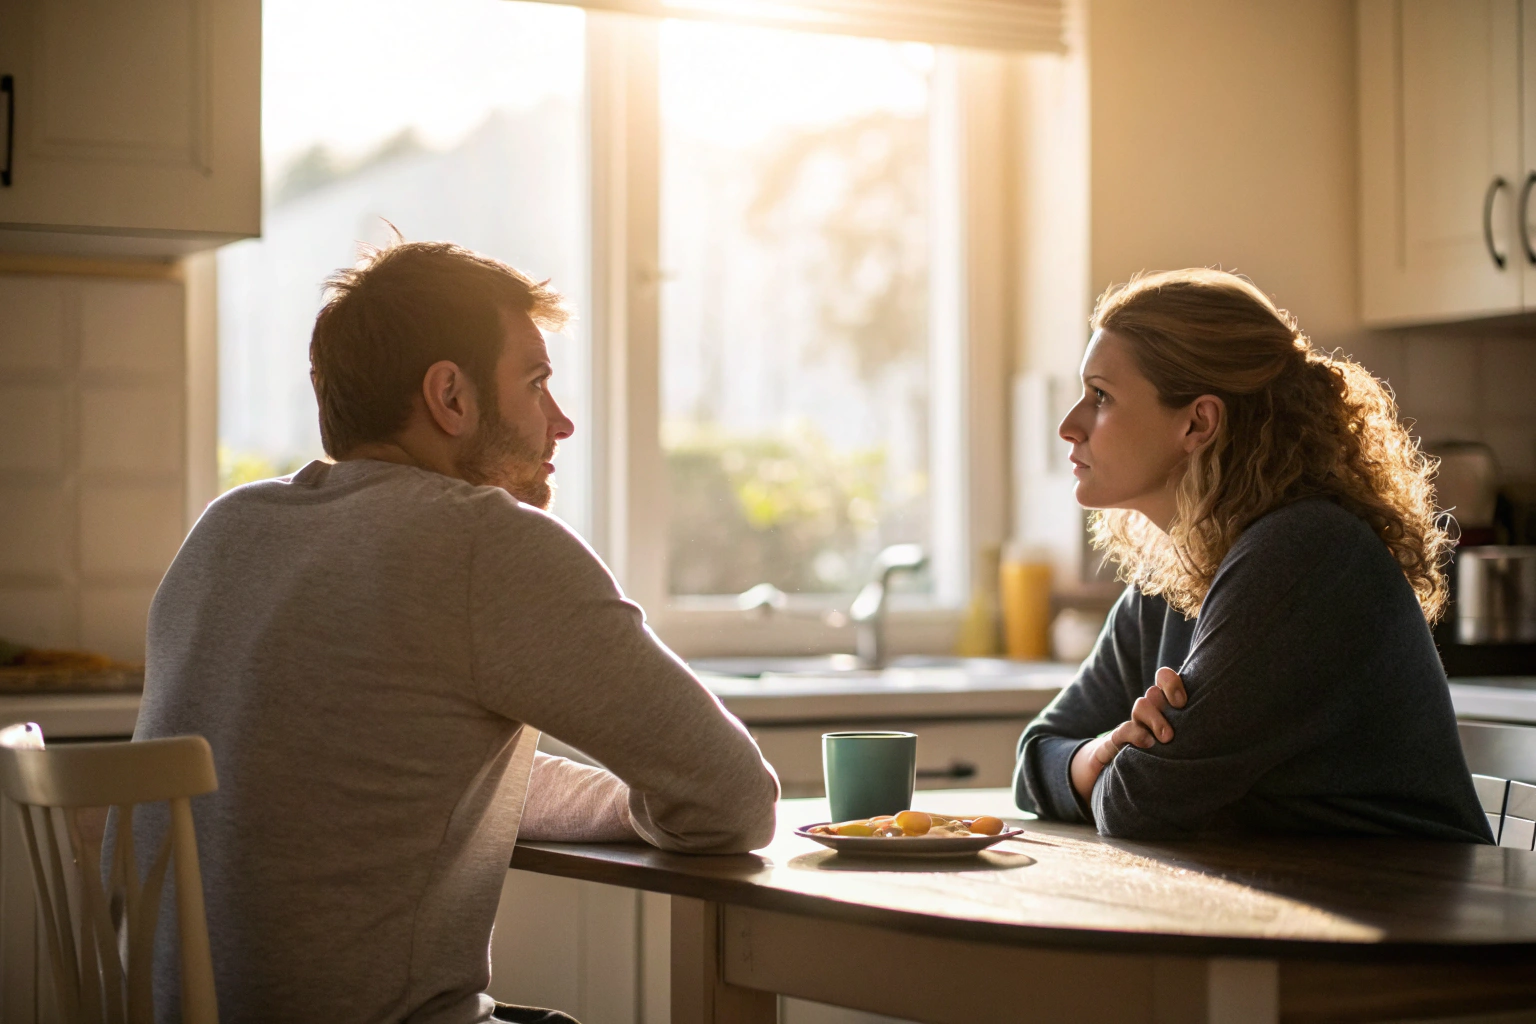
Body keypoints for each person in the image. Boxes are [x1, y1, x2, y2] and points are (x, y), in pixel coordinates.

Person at [113, 242, 780, 1023]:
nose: (560, 423)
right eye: (536, 383)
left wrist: (622, 803)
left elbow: (383, 775)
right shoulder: (479, 544)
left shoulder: (229, 532)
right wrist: (661, 805)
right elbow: (733, 799)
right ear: (450, 397)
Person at [1013, 268, 1491, 844]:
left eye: (1101, 396)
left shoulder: (1303, 554)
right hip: (1294, 909)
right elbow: (1035, 756)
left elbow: (1141, 802)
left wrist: (1106, 771)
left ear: (1198, 422)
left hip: (1412, 916)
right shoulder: (1171, 573)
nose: (1069, 426)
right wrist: (1104, 752)